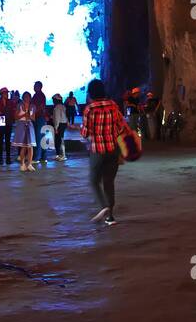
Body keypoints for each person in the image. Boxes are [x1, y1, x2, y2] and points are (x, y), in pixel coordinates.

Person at [80, 79, 134, 226]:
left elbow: (85, 133)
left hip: (98, 150)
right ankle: (110, 217)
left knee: (93, 180)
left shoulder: (89, 109)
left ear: (90, 93)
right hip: (113, 149)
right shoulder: (113, 106)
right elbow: (122, 126)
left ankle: (103, 207)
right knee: (109, 182)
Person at [14, 92, 36, 171]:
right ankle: (22, 164)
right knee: (23, 145)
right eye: (25, 97)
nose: (27, 98)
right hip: (21, 125)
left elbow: (33, 118)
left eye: (28, 97)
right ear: (23, 98)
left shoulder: (32, 106)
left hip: (29, 125)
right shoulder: (19, 105)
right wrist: (24, 115)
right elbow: (16, 117)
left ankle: (29, 164)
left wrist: (29, 116)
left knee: (30, 146)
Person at [32, 80, 48, 163]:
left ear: (39, 87)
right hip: (40, 118)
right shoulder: (37, 95)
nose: (34, 87)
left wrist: (33, 114)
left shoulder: (39, 95)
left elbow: (40, 107)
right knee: (42, 137)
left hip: (39, 118)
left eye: (35, 86)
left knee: (38, 138)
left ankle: (37, 158)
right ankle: (43, 157)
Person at [50, 93, 68, 161]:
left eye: (53, 100)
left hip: (59, 124)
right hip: (63, 123)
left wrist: (56, 127)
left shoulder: (57, 107)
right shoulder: (63, 106)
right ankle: (61, 155)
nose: (53, 101)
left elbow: (57, 118)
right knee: (61, 139)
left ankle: (62, 155)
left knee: (59, 140)